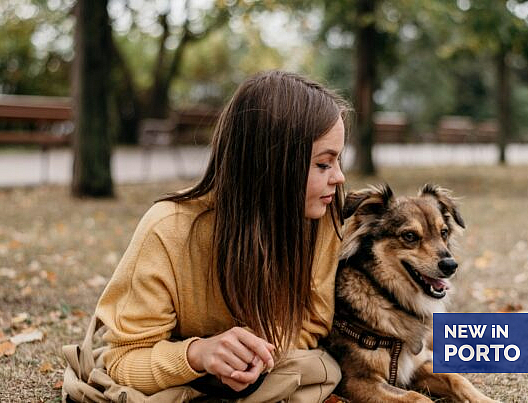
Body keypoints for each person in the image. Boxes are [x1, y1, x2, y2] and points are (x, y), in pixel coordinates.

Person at [93, 70, 349, 402]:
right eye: (323, 164)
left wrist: (259, 353)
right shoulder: (168, 229)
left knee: (322, 368)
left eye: (338, 161)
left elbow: (314, 321)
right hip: (178, 365)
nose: (339, 177)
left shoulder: (322, 216)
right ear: (271, 164)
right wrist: (199, 354)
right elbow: (123, 360)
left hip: (273, 369)